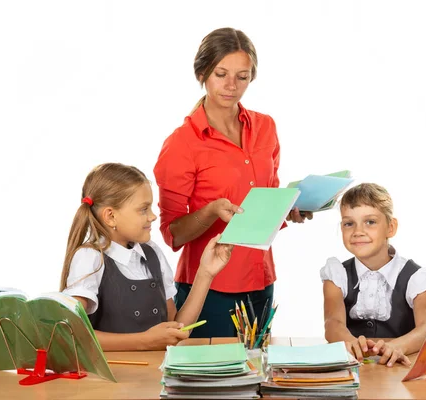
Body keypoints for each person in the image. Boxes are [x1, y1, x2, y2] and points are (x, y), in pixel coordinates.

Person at [153, 27, 311, 338]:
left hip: (262, 278)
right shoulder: (181, 143)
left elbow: (265, 197)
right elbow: (173, 235)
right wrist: (211, 211)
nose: (231, 85)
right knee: (214, 382)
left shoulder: (265, 127)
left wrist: (289, 208)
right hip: (210, 287)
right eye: (220, 73)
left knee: (257, 375)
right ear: (202, 73)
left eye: (242, 76)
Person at [60, 163, 233, 351]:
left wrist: (205, 273)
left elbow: (176, 326)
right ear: (110, 216)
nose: (152, 216)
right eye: (143, 209)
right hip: (116, 376)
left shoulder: (152, 253)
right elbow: (72, 332)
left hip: (155, 374)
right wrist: (145, 340)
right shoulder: (90, 258)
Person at [321, 183, 426, 367]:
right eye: (349, 223)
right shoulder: (337, 275)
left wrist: (399, 345)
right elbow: (332, 322)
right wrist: (349, 342)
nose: (358, 232)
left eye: (370, 222)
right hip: (355, 368)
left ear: (391, 227)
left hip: (401, 369)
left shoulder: (416, 278)